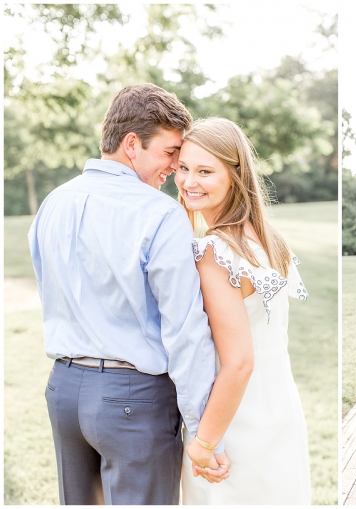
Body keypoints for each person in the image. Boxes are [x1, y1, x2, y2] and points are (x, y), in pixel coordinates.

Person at [28, 83, 225, 505]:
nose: (175, 166)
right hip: (133, 401)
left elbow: (50, 290)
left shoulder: (53, 202)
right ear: (132, 144)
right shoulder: (160, 213)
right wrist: (204, 432)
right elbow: (185, 331)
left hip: (63, 392)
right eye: (170, 152)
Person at [175, 118, 311, 504]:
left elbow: (238, 363)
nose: (188, 181)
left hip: (232, 428)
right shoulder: (268, 239)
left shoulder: (216, 252)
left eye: (205, 171)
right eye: (183, 168)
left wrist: (203, 444)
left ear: (234, 176)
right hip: (280, 413)